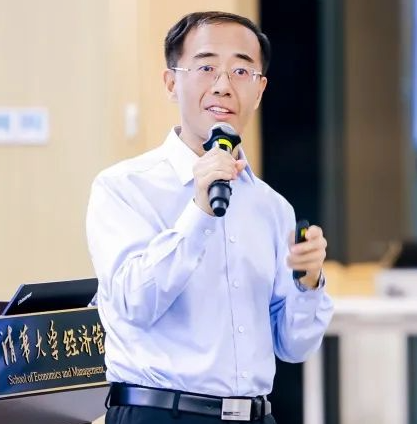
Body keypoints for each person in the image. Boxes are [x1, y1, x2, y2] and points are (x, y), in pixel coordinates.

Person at [86, 11, 334, 424]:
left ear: (259, 90)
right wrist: (199, 212)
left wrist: (308, 282)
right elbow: (134, 304)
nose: (223, 85)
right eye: (205, 68)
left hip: (255, 415)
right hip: (160, 414)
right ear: (171, 82)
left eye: (241, 71)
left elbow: (295, 347)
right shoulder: (124, 187)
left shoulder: (272, 207)